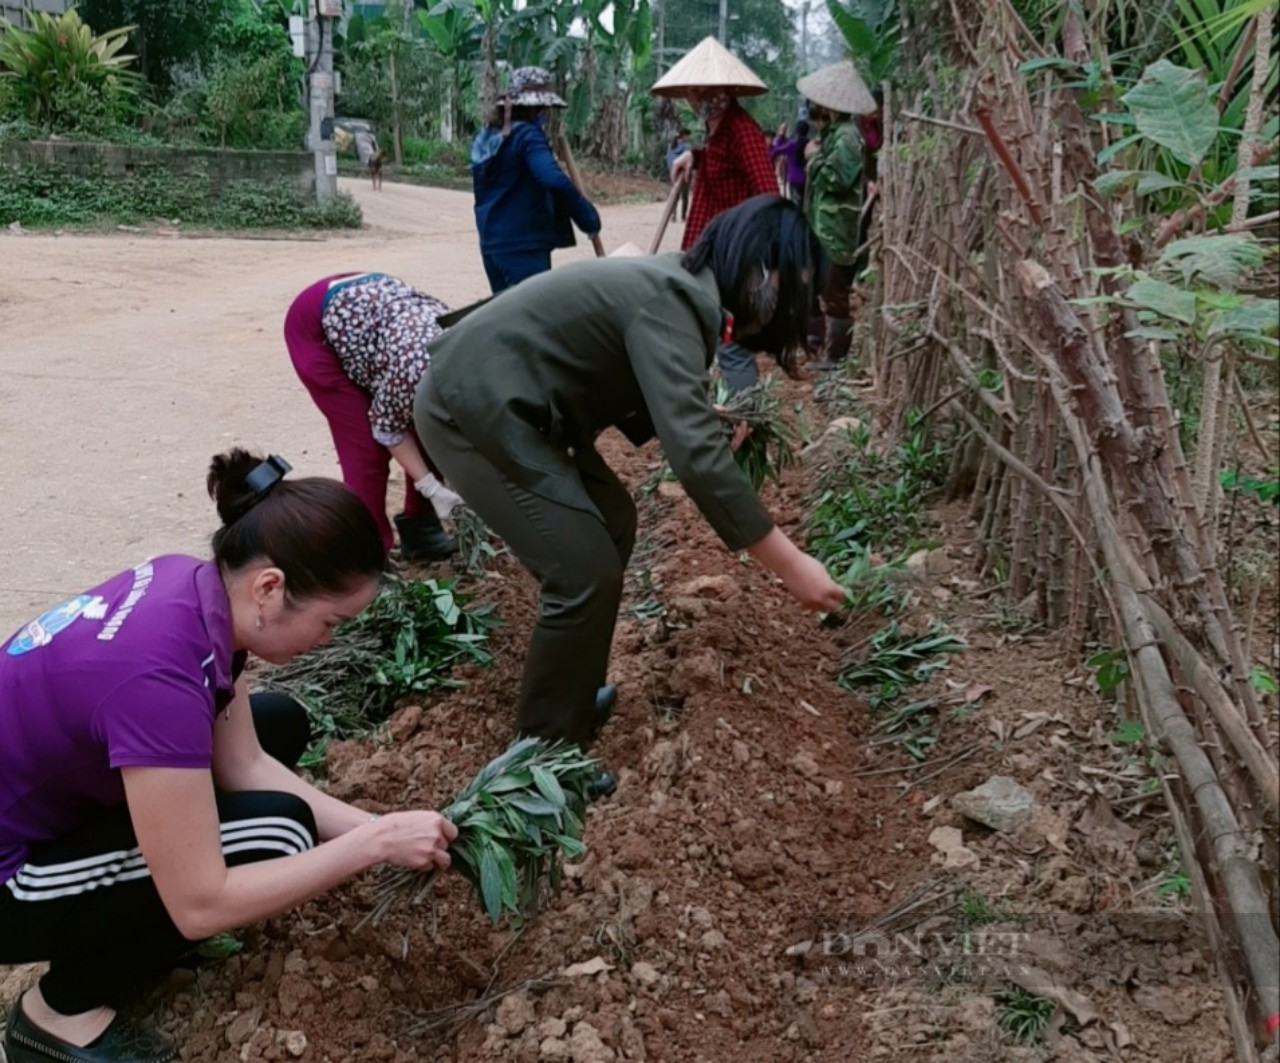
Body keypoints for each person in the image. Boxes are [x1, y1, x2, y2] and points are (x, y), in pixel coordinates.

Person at [0, 450, 457, 1063]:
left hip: (42, 799)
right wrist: (369, 849)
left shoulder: (191, 587)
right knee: (274, 832)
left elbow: (243, 764)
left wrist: (382, 828)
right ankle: (57, 1015)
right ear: (270, 588)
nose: (331, 638)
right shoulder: (158, 680)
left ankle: (118, 910)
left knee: (278, 725)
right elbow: (200, 903)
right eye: (330, 622)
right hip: (11, 878)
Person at [415, 196, 847, 792]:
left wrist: (710, 416)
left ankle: (574, 694)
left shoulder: (681, 290)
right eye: (793, 287)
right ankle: (541, 759)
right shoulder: (673, 299)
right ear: (762, 270)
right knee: (582, 568)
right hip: (469, 406)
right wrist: (791, 564)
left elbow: (657, 395)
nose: (788, 307)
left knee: (613, 521)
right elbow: (693, 457)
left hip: (521, 407)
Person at [285, 271, 462, 562]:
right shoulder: (412, 373)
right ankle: (366, 555)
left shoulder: (474, 366)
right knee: (366, 450)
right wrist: (432, 487)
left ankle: (421, 531)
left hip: (376, 317)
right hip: (316, 323)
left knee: (431, 428)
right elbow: (388, 429)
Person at [654, 37, 782, 393]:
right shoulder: (717, 132)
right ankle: (719, 412)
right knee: (704, 331)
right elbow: (722, 168)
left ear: (719, 92)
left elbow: (769, 195)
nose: (694, 100)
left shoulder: (743, 131)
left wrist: (769, 264)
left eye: (699, 91)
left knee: (732, 343)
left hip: (733, 259)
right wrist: (695, 155)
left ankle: (747, 421)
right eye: (691, 93)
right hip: (708, 254)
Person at [470, 66, 602, 295]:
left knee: (508, 318)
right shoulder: (527, 137)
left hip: (492, 245)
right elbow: (552, 178)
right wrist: (586, 215)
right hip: (523, 246)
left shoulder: (488, 137)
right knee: (531, 322)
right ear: (535, 108)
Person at [796, 61, 875, 371]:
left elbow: (838, 179)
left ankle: (835, 360)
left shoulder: (845, 138)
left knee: (834, 296)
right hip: (822, 228)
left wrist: (814, 161)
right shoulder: (834, 134)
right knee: (814, 286)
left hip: (835, 232)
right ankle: (816, 345)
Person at [770, 119, 810, 205]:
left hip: (794, 180)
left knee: (795, 206)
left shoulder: (792, 145)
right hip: (807, 181)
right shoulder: (810, 144)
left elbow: (776, 150)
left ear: (796, 131)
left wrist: (781, 136)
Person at [665, 126, 693, 222]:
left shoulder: (671, 146)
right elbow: (688, 163)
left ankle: (673, 216)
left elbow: (669, 160)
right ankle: (683, 216)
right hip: (683, 173)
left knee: (675, 195)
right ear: (685, 136)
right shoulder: (687, 147)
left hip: (673, 172)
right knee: (684, 196)